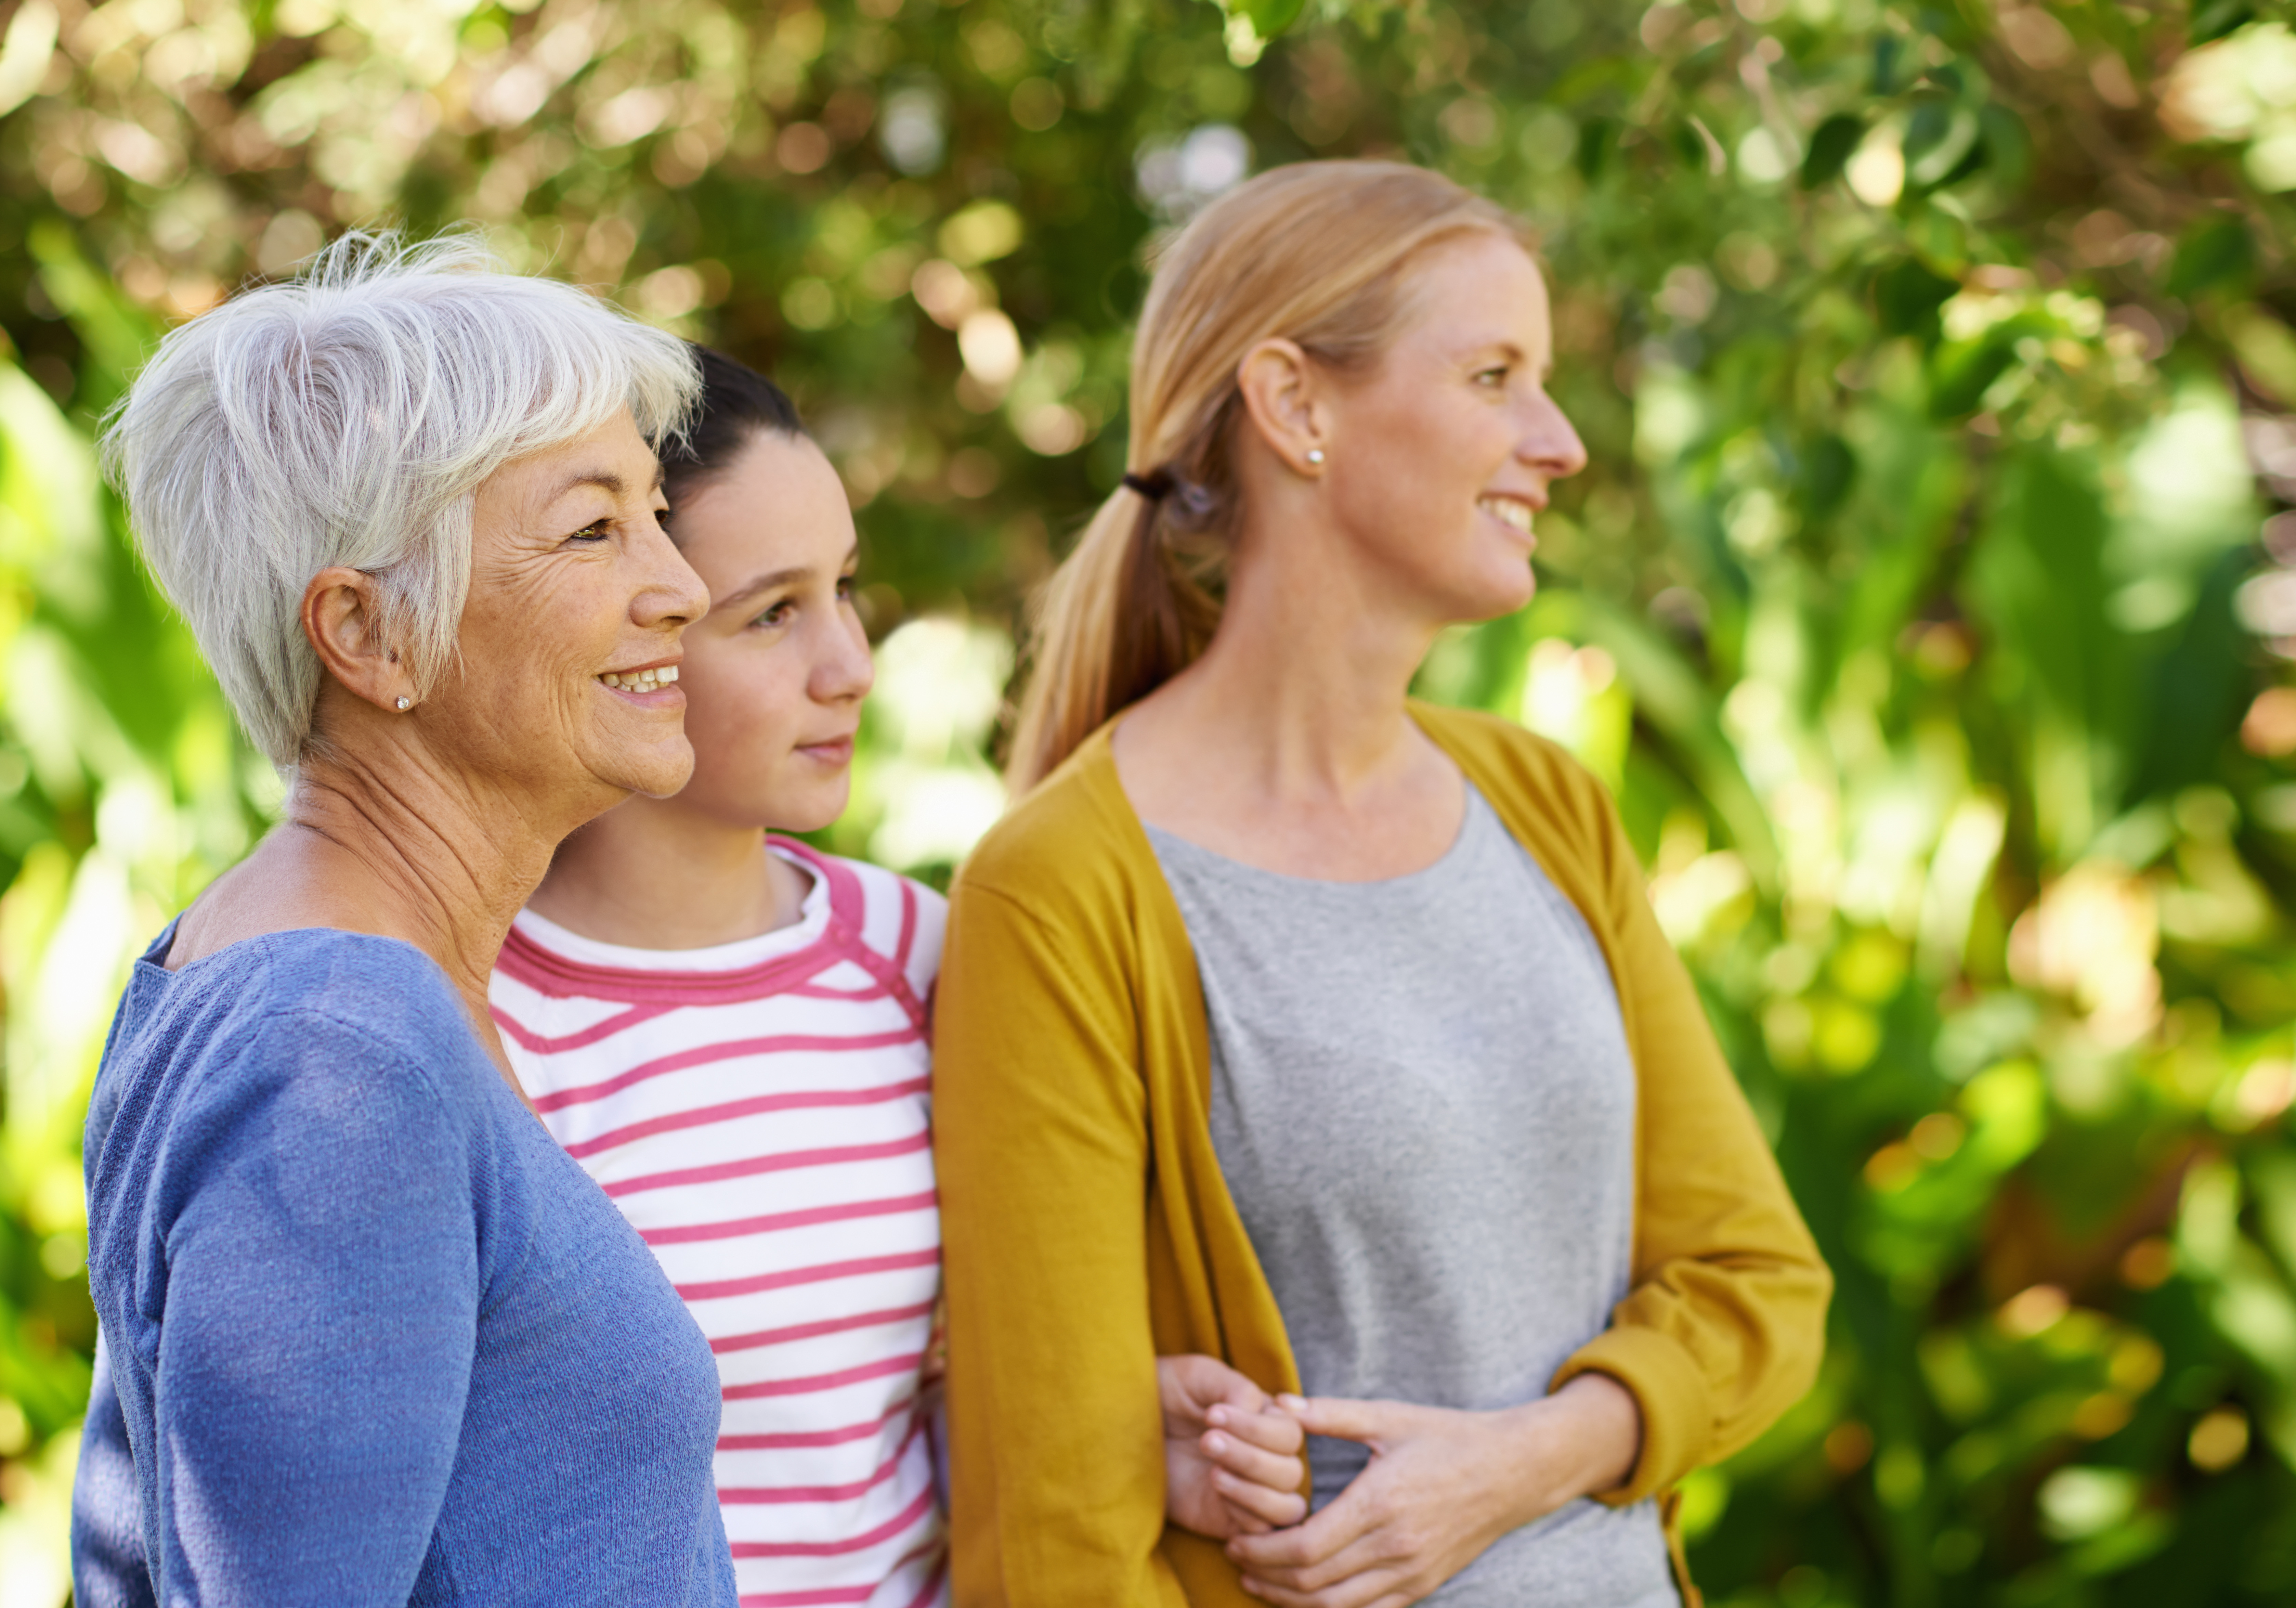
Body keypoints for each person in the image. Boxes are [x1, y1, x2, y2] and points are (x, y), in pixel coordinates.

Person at [931, 160, 1834, 1608]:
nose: (1561, 441)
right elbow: (1060, 1531)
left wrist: (1531, 1455)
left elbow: (1756, 1279)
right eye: (1495, 375)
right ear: (1295, 405)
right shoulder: (1063, 892)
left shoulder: (1548, 808)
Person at [491, 348, 1309, 1606]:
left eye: (847, 591)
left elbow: (912, 1401)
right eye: (772, 613)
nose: (851, 664)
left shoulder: (920, 952)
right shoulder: (479, 1016)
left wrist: (1115, 1436)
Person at [70, 235, 738, 1606]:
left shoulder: (321, 982)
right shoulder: (340, 1054)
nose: (681, 584)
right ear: (368, 634)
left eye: (656, 511)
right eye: (595, 527)